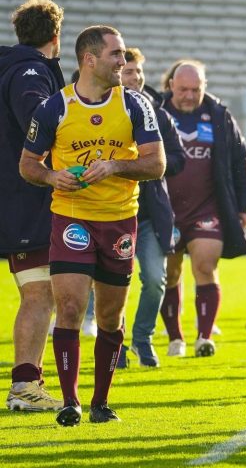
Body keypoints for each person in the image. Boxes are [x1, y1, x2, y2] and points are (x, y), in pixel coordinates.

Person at [20, 25, 165, 425]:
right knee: (69, 306)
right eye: (116, 55)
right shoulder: (54, 108)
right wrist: (52, 177)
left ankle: (102, 402)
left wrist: (115, 165)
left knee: (110, 318)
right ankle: (70, 401)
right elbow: (28, 165)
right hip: (71, 216)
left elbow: (157, 163)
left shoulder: (135, 105)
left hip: (120, 220)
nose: (123, 62)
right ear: (90, 59)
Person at [161, 61, 246, 358]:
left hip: (206, 208)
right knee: (170, 273)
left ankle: (204, 337)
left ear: (205, 87)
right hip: (166, 209)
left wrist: (242, 206)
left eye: (196, 89)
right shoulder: (157, 113)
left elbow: (240, 159)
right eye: (183, 89)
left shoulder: (217, 115)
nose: (189, 95)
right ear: (171, 84)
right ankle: (175, 338)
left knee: (205, 266)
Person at [0, 0, 65, 411]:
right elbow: (37, 120)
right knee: (40, 293)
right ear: (55, 37)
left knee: (40, 293)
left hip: (13, 197)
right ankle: (25, 386)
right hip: (24, 198)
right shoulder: (31, 71)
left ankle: (28, 383)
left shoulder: (12, 66)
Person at [117, 48, 185, 368]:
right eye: (129, 72)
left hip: (148, 215)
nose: (136, 78)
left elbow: (178, 158)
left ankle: (142, 339)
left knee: (156, 279)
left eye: (139, 72)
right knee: (114, 283)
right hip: (112, 211)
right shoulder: (99, 111)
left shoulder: (157, 113)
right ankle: (113, 343)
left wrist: (146, 164)